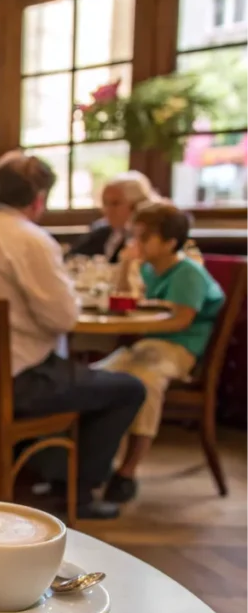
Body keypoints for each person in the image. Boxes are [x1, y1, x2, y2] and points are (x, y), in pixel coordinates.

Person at [0, 150, 146, 519]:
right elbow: (65, 317)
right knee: (127, 389)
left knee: (73, 377)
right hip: (3, 385)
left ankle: (36, 474)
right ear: (39, 199)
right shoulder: (27, 238)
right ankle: (75, 494)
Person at [93, 204, 224, 502]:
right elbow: (122, 301)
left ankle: (128, 470)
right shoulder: (149, 270)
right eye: (135, 235)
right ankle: (95, 463)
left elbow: (182, 320)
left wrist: (142, 319)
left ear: (170, 242)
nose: (136, 243)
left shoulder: (187, 272)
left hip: (180, 349)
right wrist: (127, 265)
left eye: (145, 237)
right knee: (98, 378)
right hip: (145, 345)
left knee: (143, 381)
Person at [67, 171, 159, 263]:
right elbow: (70, 258)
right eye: (105, 203)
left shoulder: (149, 240)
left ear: (136, 205)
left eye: (115, 204)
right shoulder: (101, 232)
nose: (107, 210)